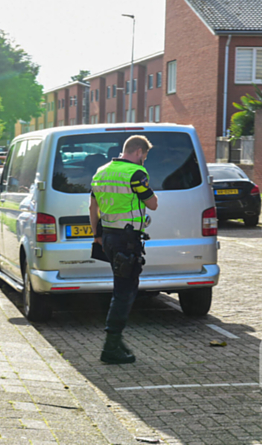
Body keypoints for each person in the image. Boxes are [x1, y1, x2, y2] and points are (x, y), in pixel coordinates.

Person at [89, 135, 158, 364]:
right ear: (138, 151)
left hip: (108, 236)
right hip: (127, 239)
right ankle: (111, 345)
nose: (144, 161)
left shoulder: (101, 171)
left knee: (123, 287)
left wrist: (97, 234)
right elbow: (152, 204)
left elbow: (93, 206)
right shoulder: (136, 174)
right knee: (125, 291)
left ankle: (116, 342)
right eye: (145, 157)